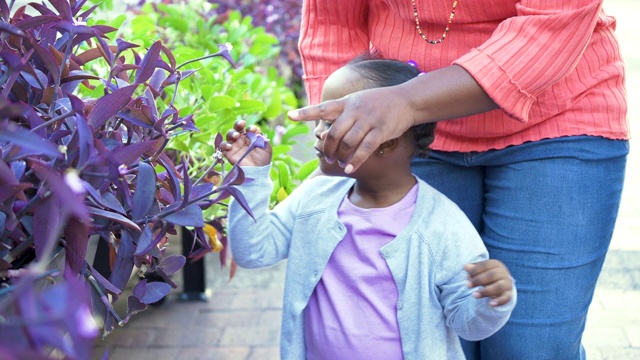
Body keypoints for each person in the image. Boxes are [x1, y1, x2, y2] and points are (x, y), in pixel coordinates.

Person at [288, 0, 629, 359]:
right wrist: (341, 132)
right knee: (425, 339)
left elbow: (551, 24)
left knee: (530, 349)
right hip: (405, 135)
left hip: (557, 119)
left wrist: (407, 100)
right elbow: (334, 24)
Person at [222, 58, 517, 359]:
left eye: (333, 121)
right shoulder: (315, 198)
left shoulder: (442, 225)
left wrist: (490, 300)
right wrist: (250, 179)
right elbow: (253, 251)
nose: (319, 132)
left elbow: (468, 324)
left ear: (385, 140)